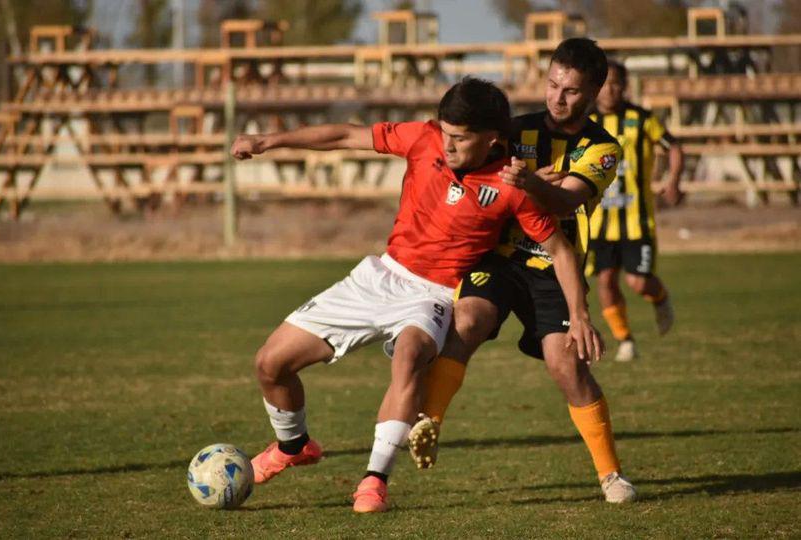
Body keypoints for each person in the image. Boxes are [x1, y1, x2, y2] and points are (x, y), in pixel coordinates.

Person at [230, 77, 602, 513]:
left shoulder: (512, 186)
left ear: (492, 138)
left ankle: (374, 480)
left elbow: (560, 250)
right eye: (445, 132)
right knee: (270, 364)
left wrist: (579, 314)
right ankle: (293, 447)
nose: (448, 145)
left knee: (410, 354)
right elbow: (345, 135)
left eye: (460, 138)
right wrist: (267, 141)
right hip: (380, 275)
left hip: (436, 294)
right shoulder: (423, 139)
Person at [408, 38, 638, 503]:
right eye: (552, 85)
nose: (557, 98)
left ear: (593, 91)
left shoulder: (602, 148)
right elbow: (467, 167)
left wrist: (528, 182)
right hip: (500, 258)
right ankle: (428, 421)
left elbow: (565, 202)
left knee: (566, 365)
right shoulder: (514, 131)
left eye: (571, 91)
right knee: (467, 320)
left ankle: (611, 475)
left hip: (555, 265)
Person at [586, 60, 684, 361]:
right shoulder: (586, 123)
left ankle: (661, 297)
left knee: (638, 281)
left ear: (625, 86)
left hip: (636, 220)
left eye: (616, 83)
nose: (610, 90)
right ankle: (625, 339)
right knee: (605, 281)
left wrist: (673, 180)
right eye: (605, 83)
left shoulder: (641, 119)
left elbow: (674, 147)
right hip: (599, 223)